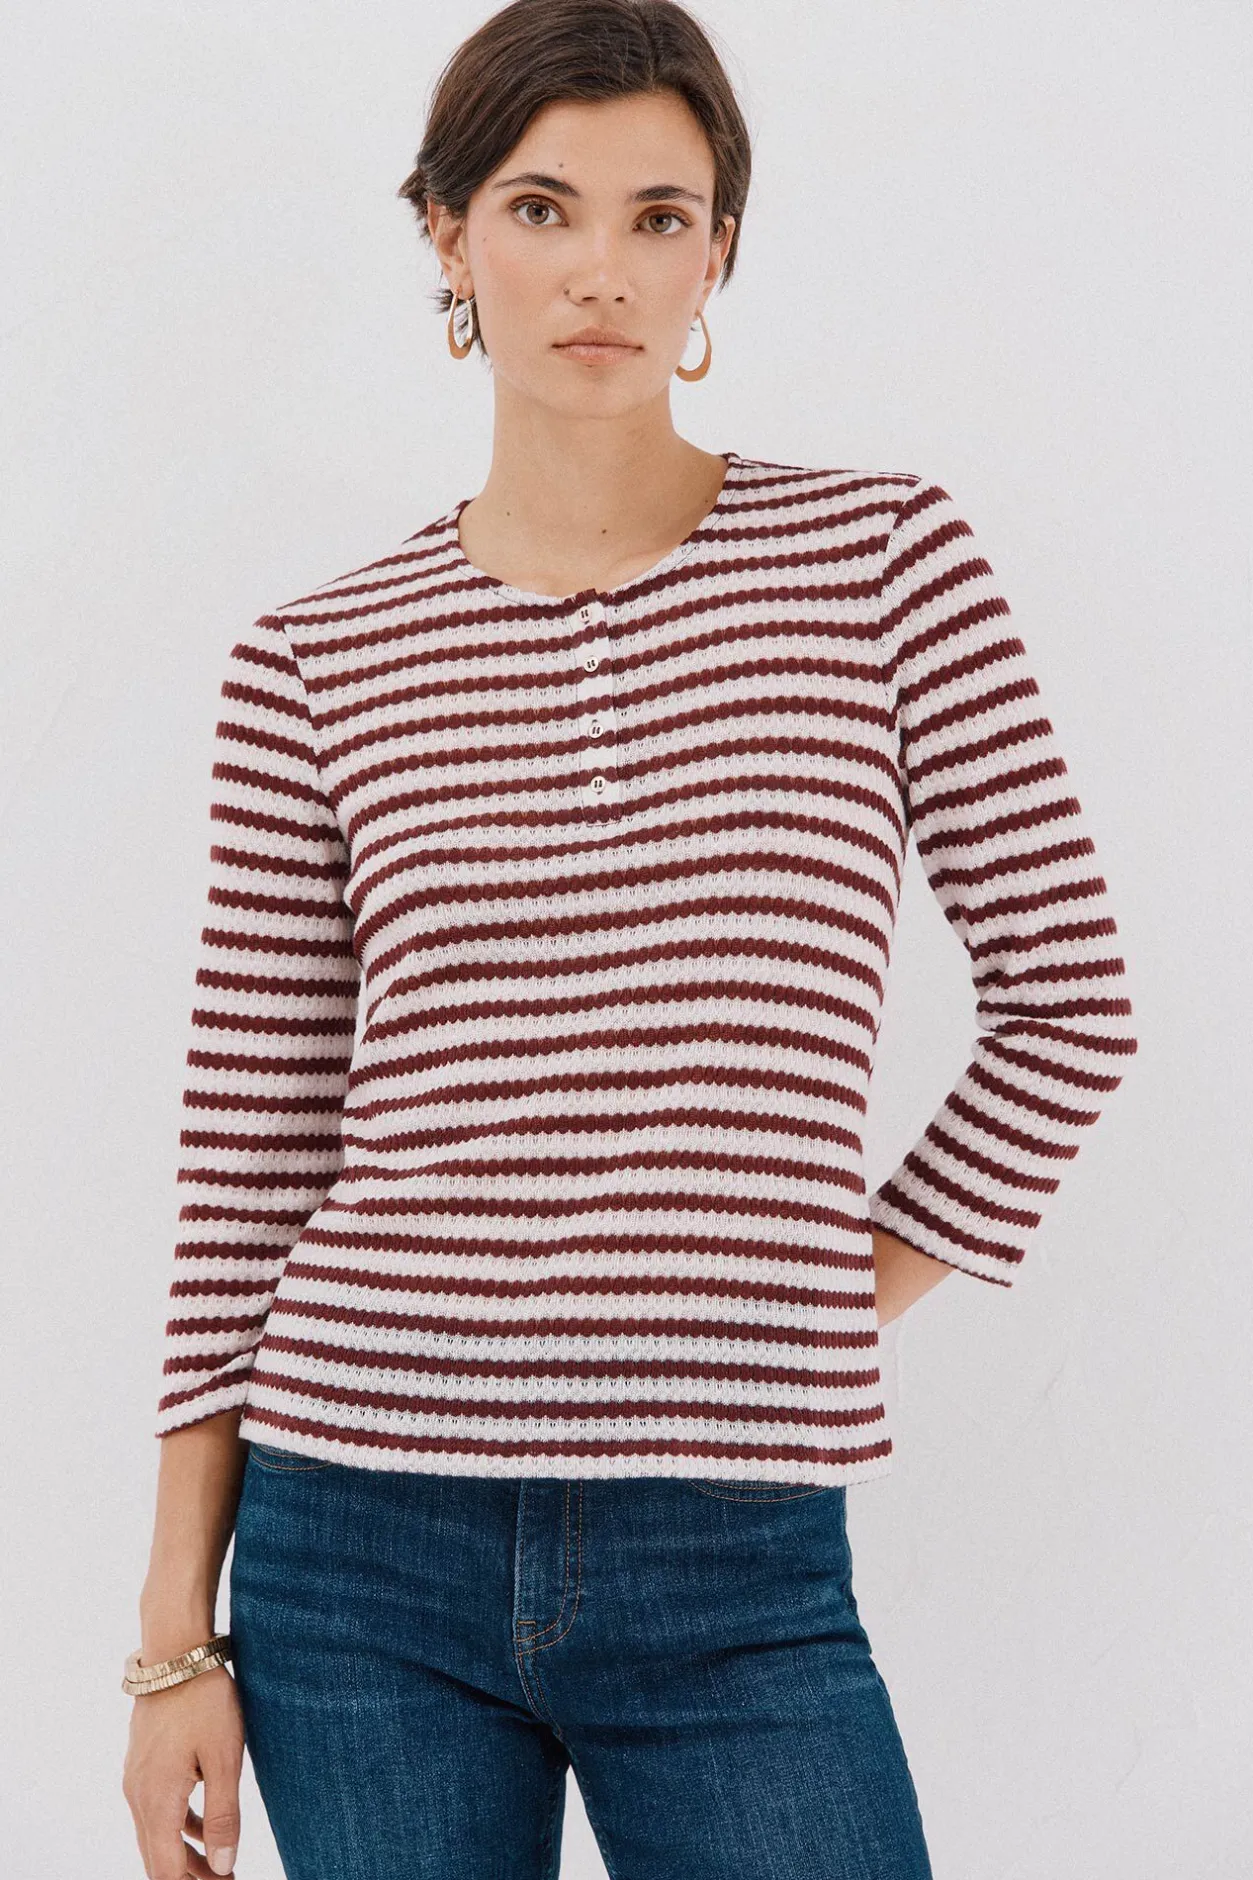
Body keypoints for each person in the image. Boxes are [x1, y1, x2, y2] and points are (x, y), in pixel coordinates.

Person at [121, 3, 1138, 1876]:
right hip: (357, 1548)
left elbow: (1071, 1008)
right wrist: (175, 1638)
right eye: (542, 207)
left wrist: (805, 1295)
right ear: (448, 234)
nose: (602, 268)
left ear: (717, 251)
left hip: (733, 1555)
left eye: (660, 216)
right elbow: (248, 1160)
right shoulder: (315, 661)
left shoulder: (883, 568)